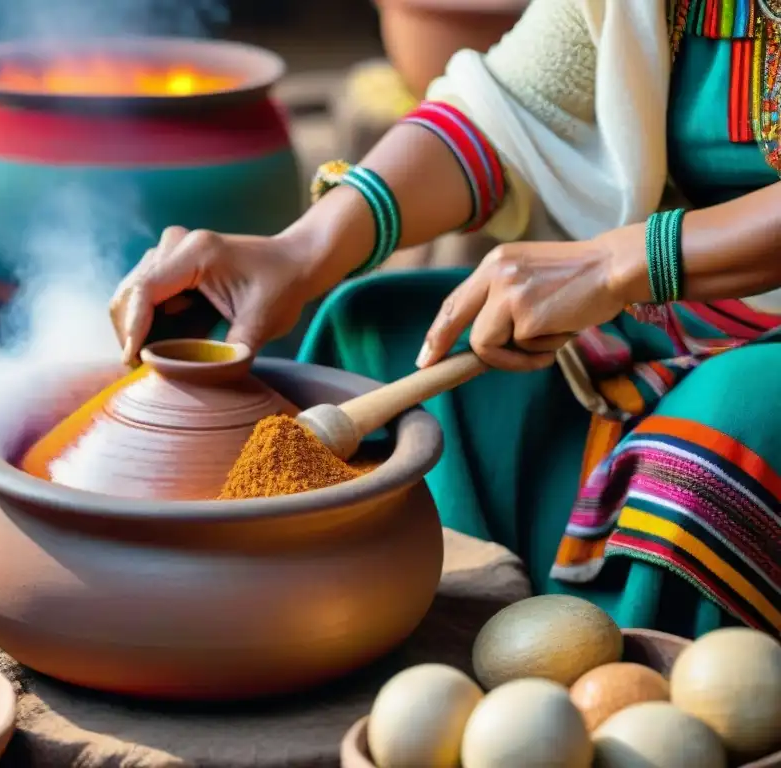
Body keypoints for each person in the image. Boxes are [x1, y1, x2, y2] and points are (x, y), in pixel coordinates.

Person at [110, 0, 781, 637]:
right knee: (378, 333)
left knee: (724, 436)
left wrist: (617, 265)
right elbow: (514, 110)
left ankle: (628, 698)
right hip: (678, 310)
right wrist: (303, 250)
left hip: (716, 333)